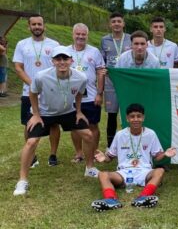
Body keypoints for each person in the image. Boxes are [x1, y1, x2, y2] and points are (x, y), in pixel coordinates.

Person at [13, 46, 97, 196]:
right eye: (58, 59)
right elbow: (32, 94)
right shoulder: (41, 76)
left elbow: (79, 93)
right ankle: (22, 180)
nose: (62, 62)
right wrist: (36, 114)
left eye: (65, 59)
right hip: (44, 113)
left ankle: (90, 168)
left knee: (89, 135)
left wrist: (78, 112)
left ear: (71, 60)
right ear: (53, 61)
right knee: (31, 142)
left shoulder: (81, 77)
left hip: (67, 112)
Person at [91, 103, 176, 211]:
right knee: (102, 174)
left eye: (139, 116)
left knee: (159, 171)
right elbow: (110, 157)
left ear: (143, 118)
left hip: (144, 171)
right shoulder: (120, 135)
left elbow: (156, 157)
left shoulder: (151, 134)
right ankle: (111, 200)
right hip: (124, 172)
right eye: (132, 116)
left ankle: (143, 198)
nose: (136, 119)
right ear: (127, 118)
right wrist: (104, 158)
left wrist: (164, 154)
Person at [13, 15, 61, 167]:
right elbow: (18, 68)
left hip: (50, 91)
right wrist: (34, 85)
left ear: (44, 26)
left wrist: (47, 85)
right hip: (28, 92)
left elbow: (59, 66)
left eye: (39, 24)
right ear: (29, 26)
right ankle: (32, 156)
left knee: (54, 124)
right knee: (29, 124)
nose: (37, 27)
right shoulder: (22, 44)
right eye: (33, 24)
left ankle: (53, 155)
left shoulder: (54, 45)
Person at [68, 23, 105, 164]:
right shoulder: (65, 51)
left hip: (90, 96)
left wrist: (99, 93)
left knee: (93, 125)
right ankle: (79, 153)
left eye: (83, 34)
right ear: (73, 34)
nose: (80, 37)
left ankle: (94, 152)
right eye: (78, 34)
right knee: (74, 126)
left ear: (87, 35)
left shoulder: (94, 51)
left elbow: (101, 73)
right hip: (70, 97)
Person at [100, 12, 132, 149]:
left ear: (123, 23)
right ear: (110, 24)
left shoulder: (131, 39)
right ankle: (110, 146)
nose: (117, 24)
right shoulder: (104, 40)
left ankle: (132, 143)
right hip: (110, 82)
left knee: (130, 114)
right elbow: (102, 62)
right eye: (114, 21)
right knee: (112, 115)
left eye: (119, 21)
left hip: (127, 82)